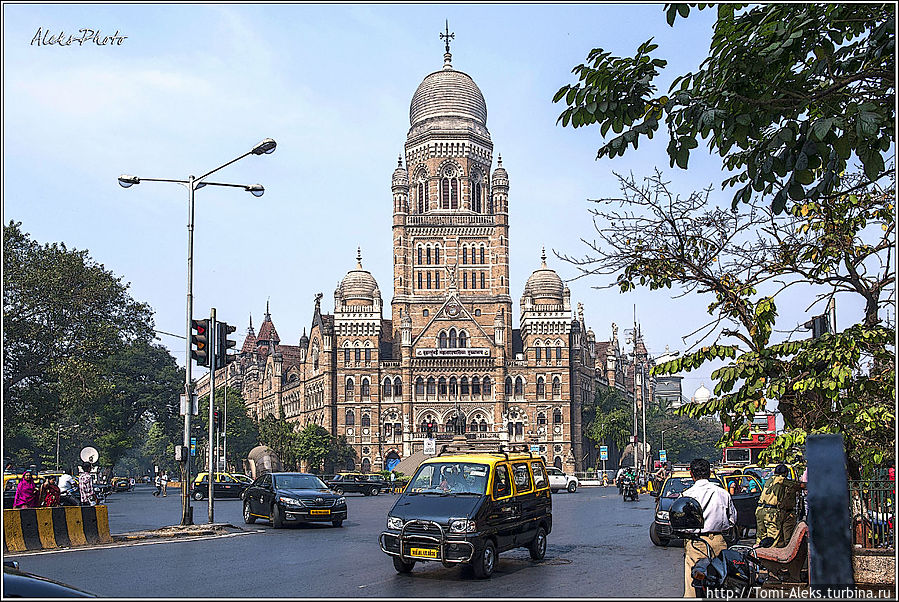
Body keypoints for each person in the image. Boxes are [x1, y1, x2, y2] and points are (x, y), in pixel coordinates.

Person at [681, 458, 737, 598]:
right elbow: (732, 519)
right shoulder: (723, 493)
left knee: (693, 584)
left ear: (691, 474)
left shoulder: (687, 495)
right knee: (721, 580)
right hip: (719, 541)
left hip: (696, 543)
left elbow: (681, 523)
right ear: (710, 473)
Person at [755, 463, 803, 548]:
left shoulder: (769, 479)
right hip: (771, 512)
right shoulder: (780, 480)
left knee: (761, 536)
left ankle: (757, 555)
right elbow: (797, 485)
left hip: (760, 510)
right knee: (773, 539)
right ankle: (769, 559)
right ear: (785, 473)